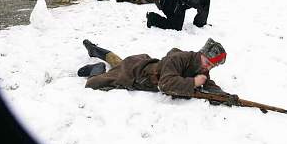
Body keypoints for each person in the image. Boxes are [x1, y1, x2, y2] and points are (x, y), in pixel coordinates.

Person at [77, 37, 236, 99]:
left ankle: (93, 49)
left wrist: (225, 95)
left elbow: (207, 83)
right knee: (93, 84)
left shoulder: (199, 65)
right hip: (135, 72)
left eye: (211, 65)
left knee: (117, 61)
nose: (207, 67)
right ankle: (96, 67)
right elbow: (165, 84)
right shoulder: (179, 58)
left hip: (141, 64)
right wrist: (193, 83)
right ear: (201, 53)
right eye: (207, 62)